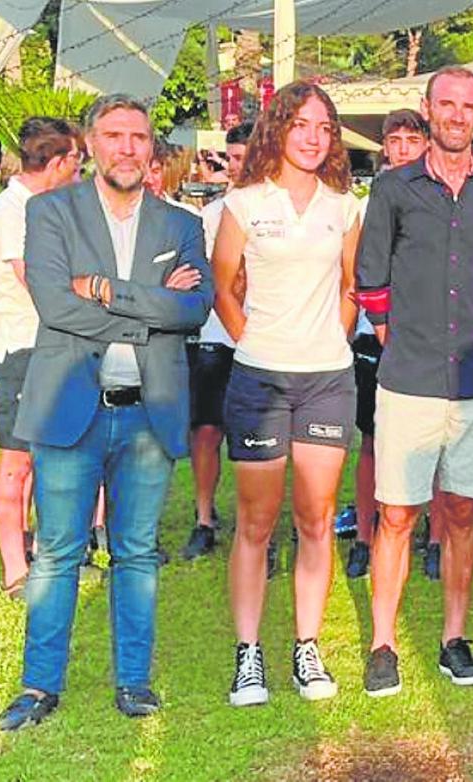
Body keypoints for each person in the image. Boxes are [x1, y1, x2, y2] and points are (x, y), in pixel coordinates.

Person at [0, 94, 212, 731]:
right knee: (60, 552)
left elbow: (194, 309)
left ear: (151, 149)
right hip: (71, 408)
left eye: (139, 137)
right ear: (89, 144)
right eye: (114, 135)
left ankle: (134, 682)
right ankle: (39, 687)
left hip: (150, 412)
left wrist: (109, 293)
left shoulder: (179, 226)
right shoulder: (51, 211)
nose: (127, 147)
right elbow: (57, 308)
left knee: (138, 552)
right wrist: (151, 312)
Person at [357, 66, 473, 696]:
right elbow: (371, 282)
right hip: (409, 379)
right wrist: (400, 341)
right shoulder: (394, 189)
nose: (456, 115)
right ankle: (383, 643)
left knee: (460, 514)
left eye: (468, 107)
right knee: (397, 514)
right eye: (446, 104)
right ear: (427, 109)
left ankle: (454, 637)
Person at [213, 82, 361, 707]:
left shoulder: (345, 207)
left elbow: (353, 288)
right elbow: (223, 290)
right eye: (302, 124)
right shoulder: (244, 204)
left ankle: (307, 647)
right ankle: (249, 655)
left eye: (324, 127)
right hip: (259, 379)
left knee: (317, 518)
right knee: (256, 521)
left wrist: (330, 340)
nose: (313, 136)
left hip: (328, 380)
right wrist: (261, 345)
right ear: (279, 128)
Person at [0, 117, 82, 600]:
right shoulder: (12, 213)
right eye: (77, 164)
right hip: (19, 352)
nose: (80, 176)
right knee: (16, 464)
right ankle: (15, 571)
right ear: (57, 163)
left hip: (46, 349)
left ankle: (43, 556)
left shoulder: (36, 208)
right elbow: (37, 282)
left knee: (45, 460)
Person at [337, 108, 429, 580]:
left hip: (427, 341)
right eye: (395, 141)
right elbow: (357, 273)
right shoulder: (362, 204)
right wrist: (375, 328)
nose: (403, 149)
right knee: (373, 442)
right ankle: (365, 537)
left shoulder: (439, 197)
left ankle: (431, 539)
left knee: (435, 441)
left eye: (412, 140)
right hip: (377, 337)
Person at [181, 121, 253, 561]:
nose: (236, 168)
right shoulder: (209, 216)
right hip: (213, 337)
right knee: (205, 429)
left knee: (254, 438)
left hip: (259, 340)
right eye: (232, 159)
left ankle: (253, 524)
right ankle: (204, 519)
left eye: (244, 158)